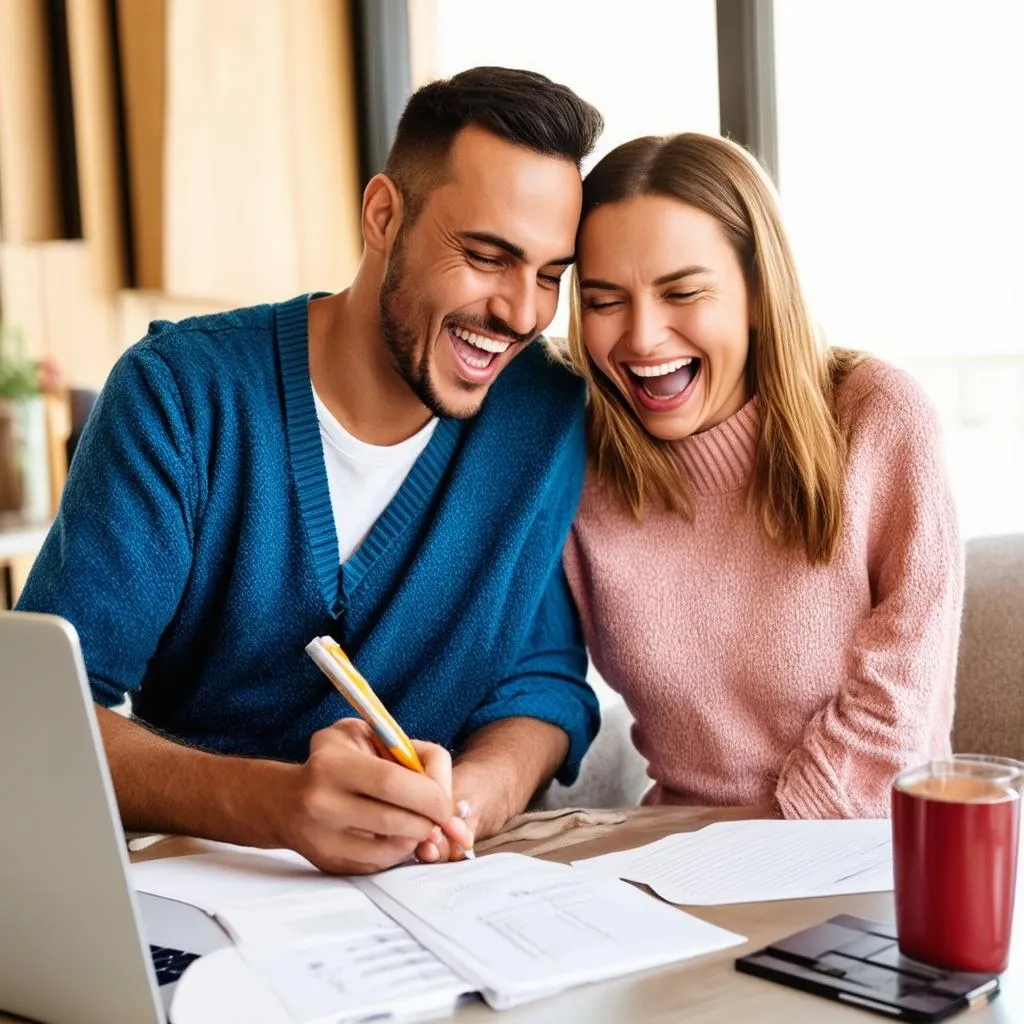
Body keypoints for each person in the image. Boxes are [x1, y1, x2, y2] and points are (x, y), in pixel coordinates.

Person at [17, 67, 604, 873]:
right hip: (207, 889)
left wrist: (461, 803)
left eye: (549, 275)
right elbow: (40, 720)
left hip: (435, 896)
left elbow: (541, 684)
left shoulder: (544, 416)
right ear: (383, 215)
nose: (522, 312)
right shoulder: (180, 395)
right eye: (486, 256)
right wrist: (275, 805)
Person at [562, 133, 962, 819]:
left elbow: (896, 704)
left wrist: (764, 853)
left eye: (682, 291)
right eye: (604, 302)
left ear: (755, 290)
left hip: (861, 852)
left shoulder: (878, 420)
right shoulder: (576, 463)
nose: (642, 338)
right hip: (675, 865)